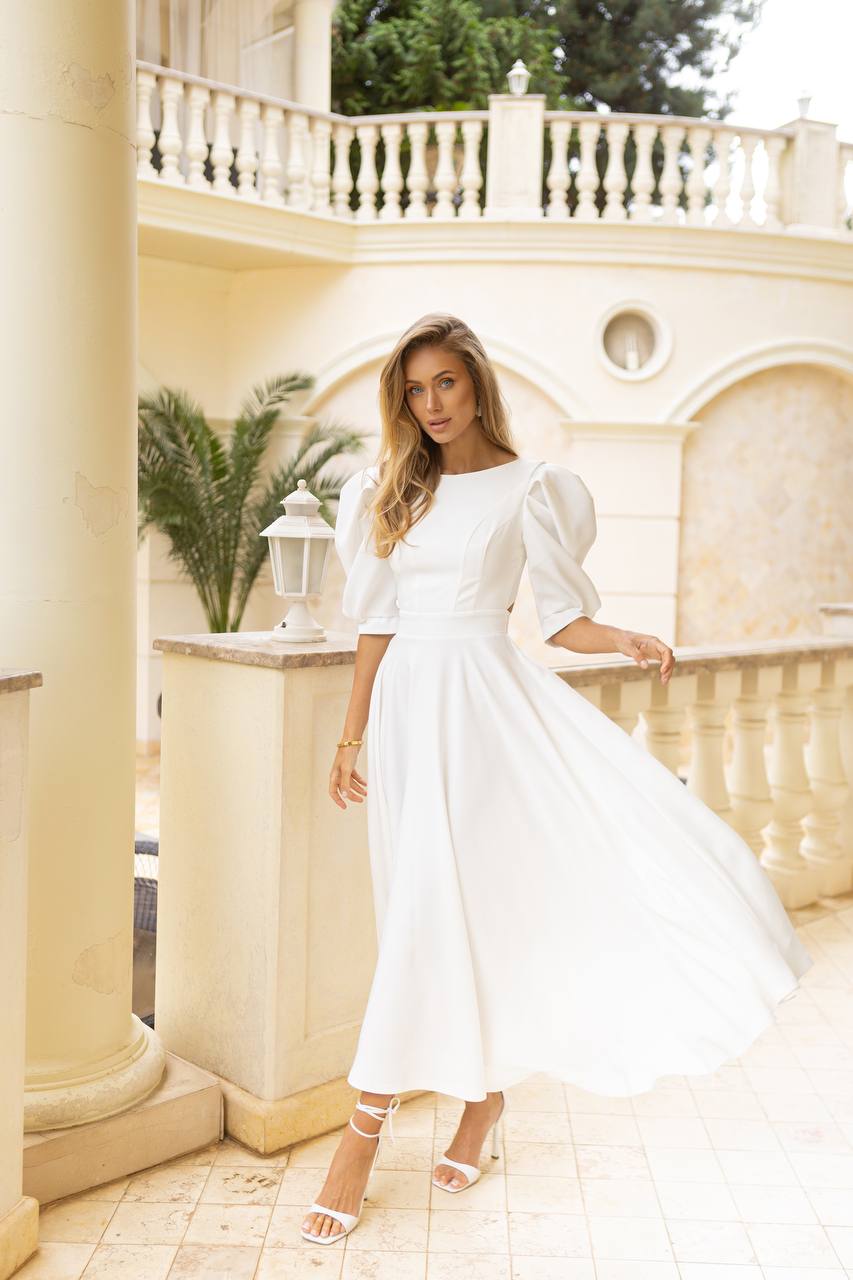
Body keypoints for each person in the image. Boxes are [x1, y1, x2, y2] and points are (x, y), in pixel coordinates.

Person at [301, 312, 814, 1245]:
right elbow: (377, 623)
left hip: (484, 714)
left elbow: (559, 619)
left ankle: (361, 1136)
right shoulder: (388, 490)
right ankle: (480, 1102)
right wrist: (351, 736)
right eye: (413, 390)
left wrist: (621, 636)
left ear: (476, 384)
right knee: (420, 908)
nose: (430, 405)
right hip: (411, 715)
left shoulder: (532, 488)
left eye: (445, 383)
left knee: (456, 908)